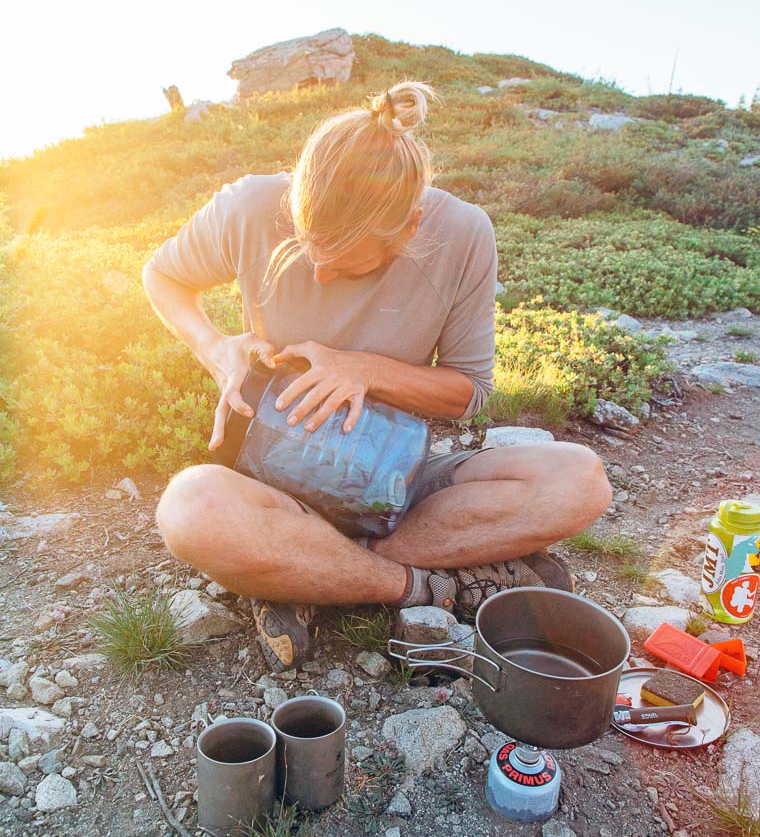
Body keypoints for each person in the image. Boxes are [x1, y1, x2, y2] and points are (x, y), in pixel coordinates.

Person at [143, 81, 612, 671]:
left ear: (411, 226)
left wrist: (363, 370)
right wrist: (216, 347)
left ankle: (304, 573)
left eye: (342, 262)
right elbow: (162, 277)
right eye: (306, 245)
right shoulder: (249, 206)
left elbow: (469, 393)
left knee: (580, 481)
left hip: (397, 482)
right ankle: (431, 586)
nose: (316, 271)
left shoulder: (464, 234)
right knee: (191, 509)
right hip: (274, 481)